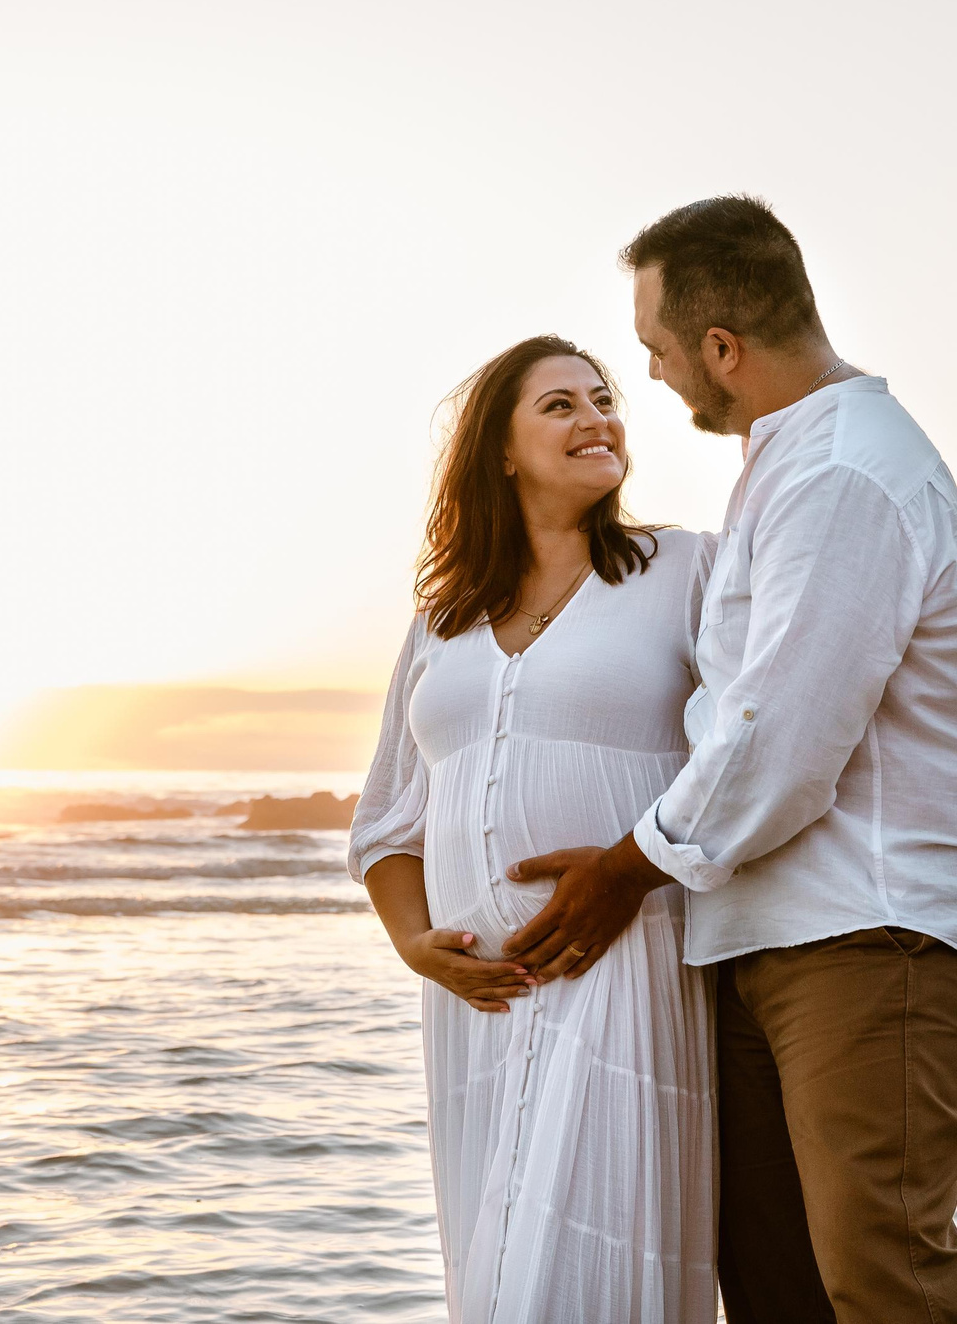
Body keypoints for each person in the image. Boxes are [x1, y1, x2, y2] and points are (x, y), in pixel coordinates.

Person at [503, 197, 957, 1324]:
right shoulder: (789, 468)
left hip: (875, 935)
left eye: (655, 350)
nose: (652, 377)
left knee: (883, 1281)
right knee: (779, 1292)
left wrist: (620, 871)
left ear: (722, 350)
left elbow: (779, 744)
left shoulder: (846, 474)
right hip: (774, 935)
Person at [347, 335, 716, 1324]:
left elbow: (753, 748)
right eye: (560, 405)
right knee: (498, 1270)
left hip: (626, 966)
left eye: (604, 399)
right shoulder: (442, 619)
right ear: (500, 451)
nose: (596, 417)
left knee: (596, 1258)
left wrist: (636, 869)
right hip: (478, 1007)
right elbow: (387, 821)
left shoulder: (684, 570)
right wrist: (416, 948)